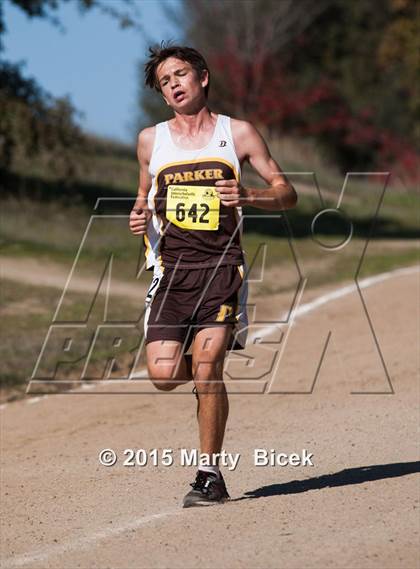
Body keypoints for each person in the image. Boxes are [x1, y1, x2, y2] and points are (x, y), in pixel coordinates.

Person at [129, 44, 297, 508]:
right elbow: (144, 194)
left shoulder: (237, 133)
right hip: (171, 274)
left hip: (221, 268)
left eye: (180, 74)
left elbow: (287, 193)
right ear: (163, 96)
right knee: (163, 375)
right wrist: (139, 214)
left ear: (203, 77)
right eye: (166, 82)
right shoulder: (150, 140)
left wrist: (248, 194)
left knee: (208, 364)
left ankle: (209, 475)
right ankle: (205, 380)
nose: (174, 85)